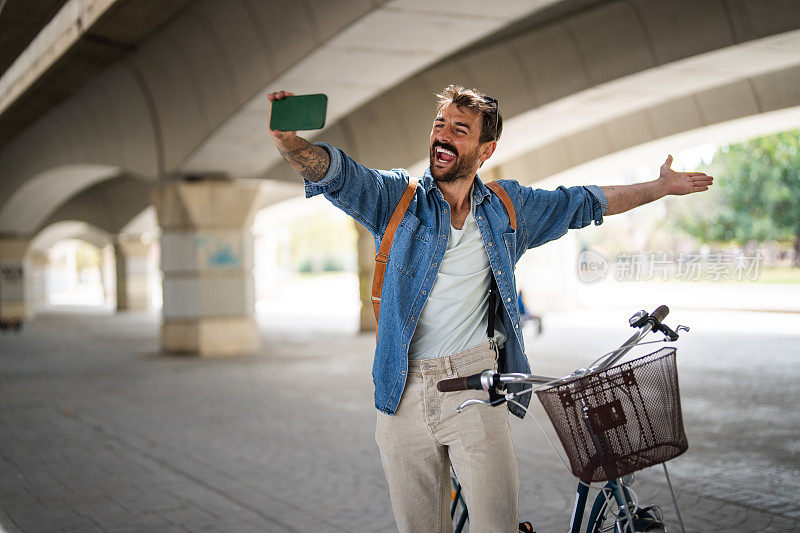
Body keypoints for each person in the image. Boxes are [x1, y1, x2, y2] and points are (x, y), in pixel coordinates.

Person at [266, 85, 712, 532]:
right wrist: (290, 143)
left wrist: (659, 187)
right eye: (439, 124)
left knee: (497, 526)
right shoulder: (396, 200)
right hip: (400, 390)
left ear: (485, 149)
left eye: (459, 129)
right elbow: (338, 174)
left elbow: (583, 202)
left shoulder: (506, 209)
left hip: (475, 386)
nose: (443, 135)